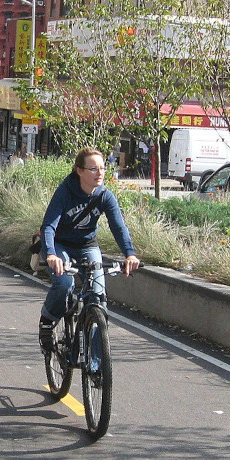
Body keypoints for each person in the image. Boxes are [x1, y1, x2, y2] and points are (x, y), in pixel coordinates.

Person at [38, 147, 141, 352]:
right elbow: (48, 226)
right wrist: (50, 254)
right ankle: (47, 323)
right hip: (60, 245)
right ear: (79, 170)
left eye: (103, 168)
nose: (100, 173)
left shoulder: (105, 196)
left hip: (87, 245)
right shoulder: (65, 191)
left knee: (98, 297)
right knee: (64, 283)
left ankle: (95, 365)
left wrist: (129, 253)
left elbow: (118, 227)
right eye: (93, 168)